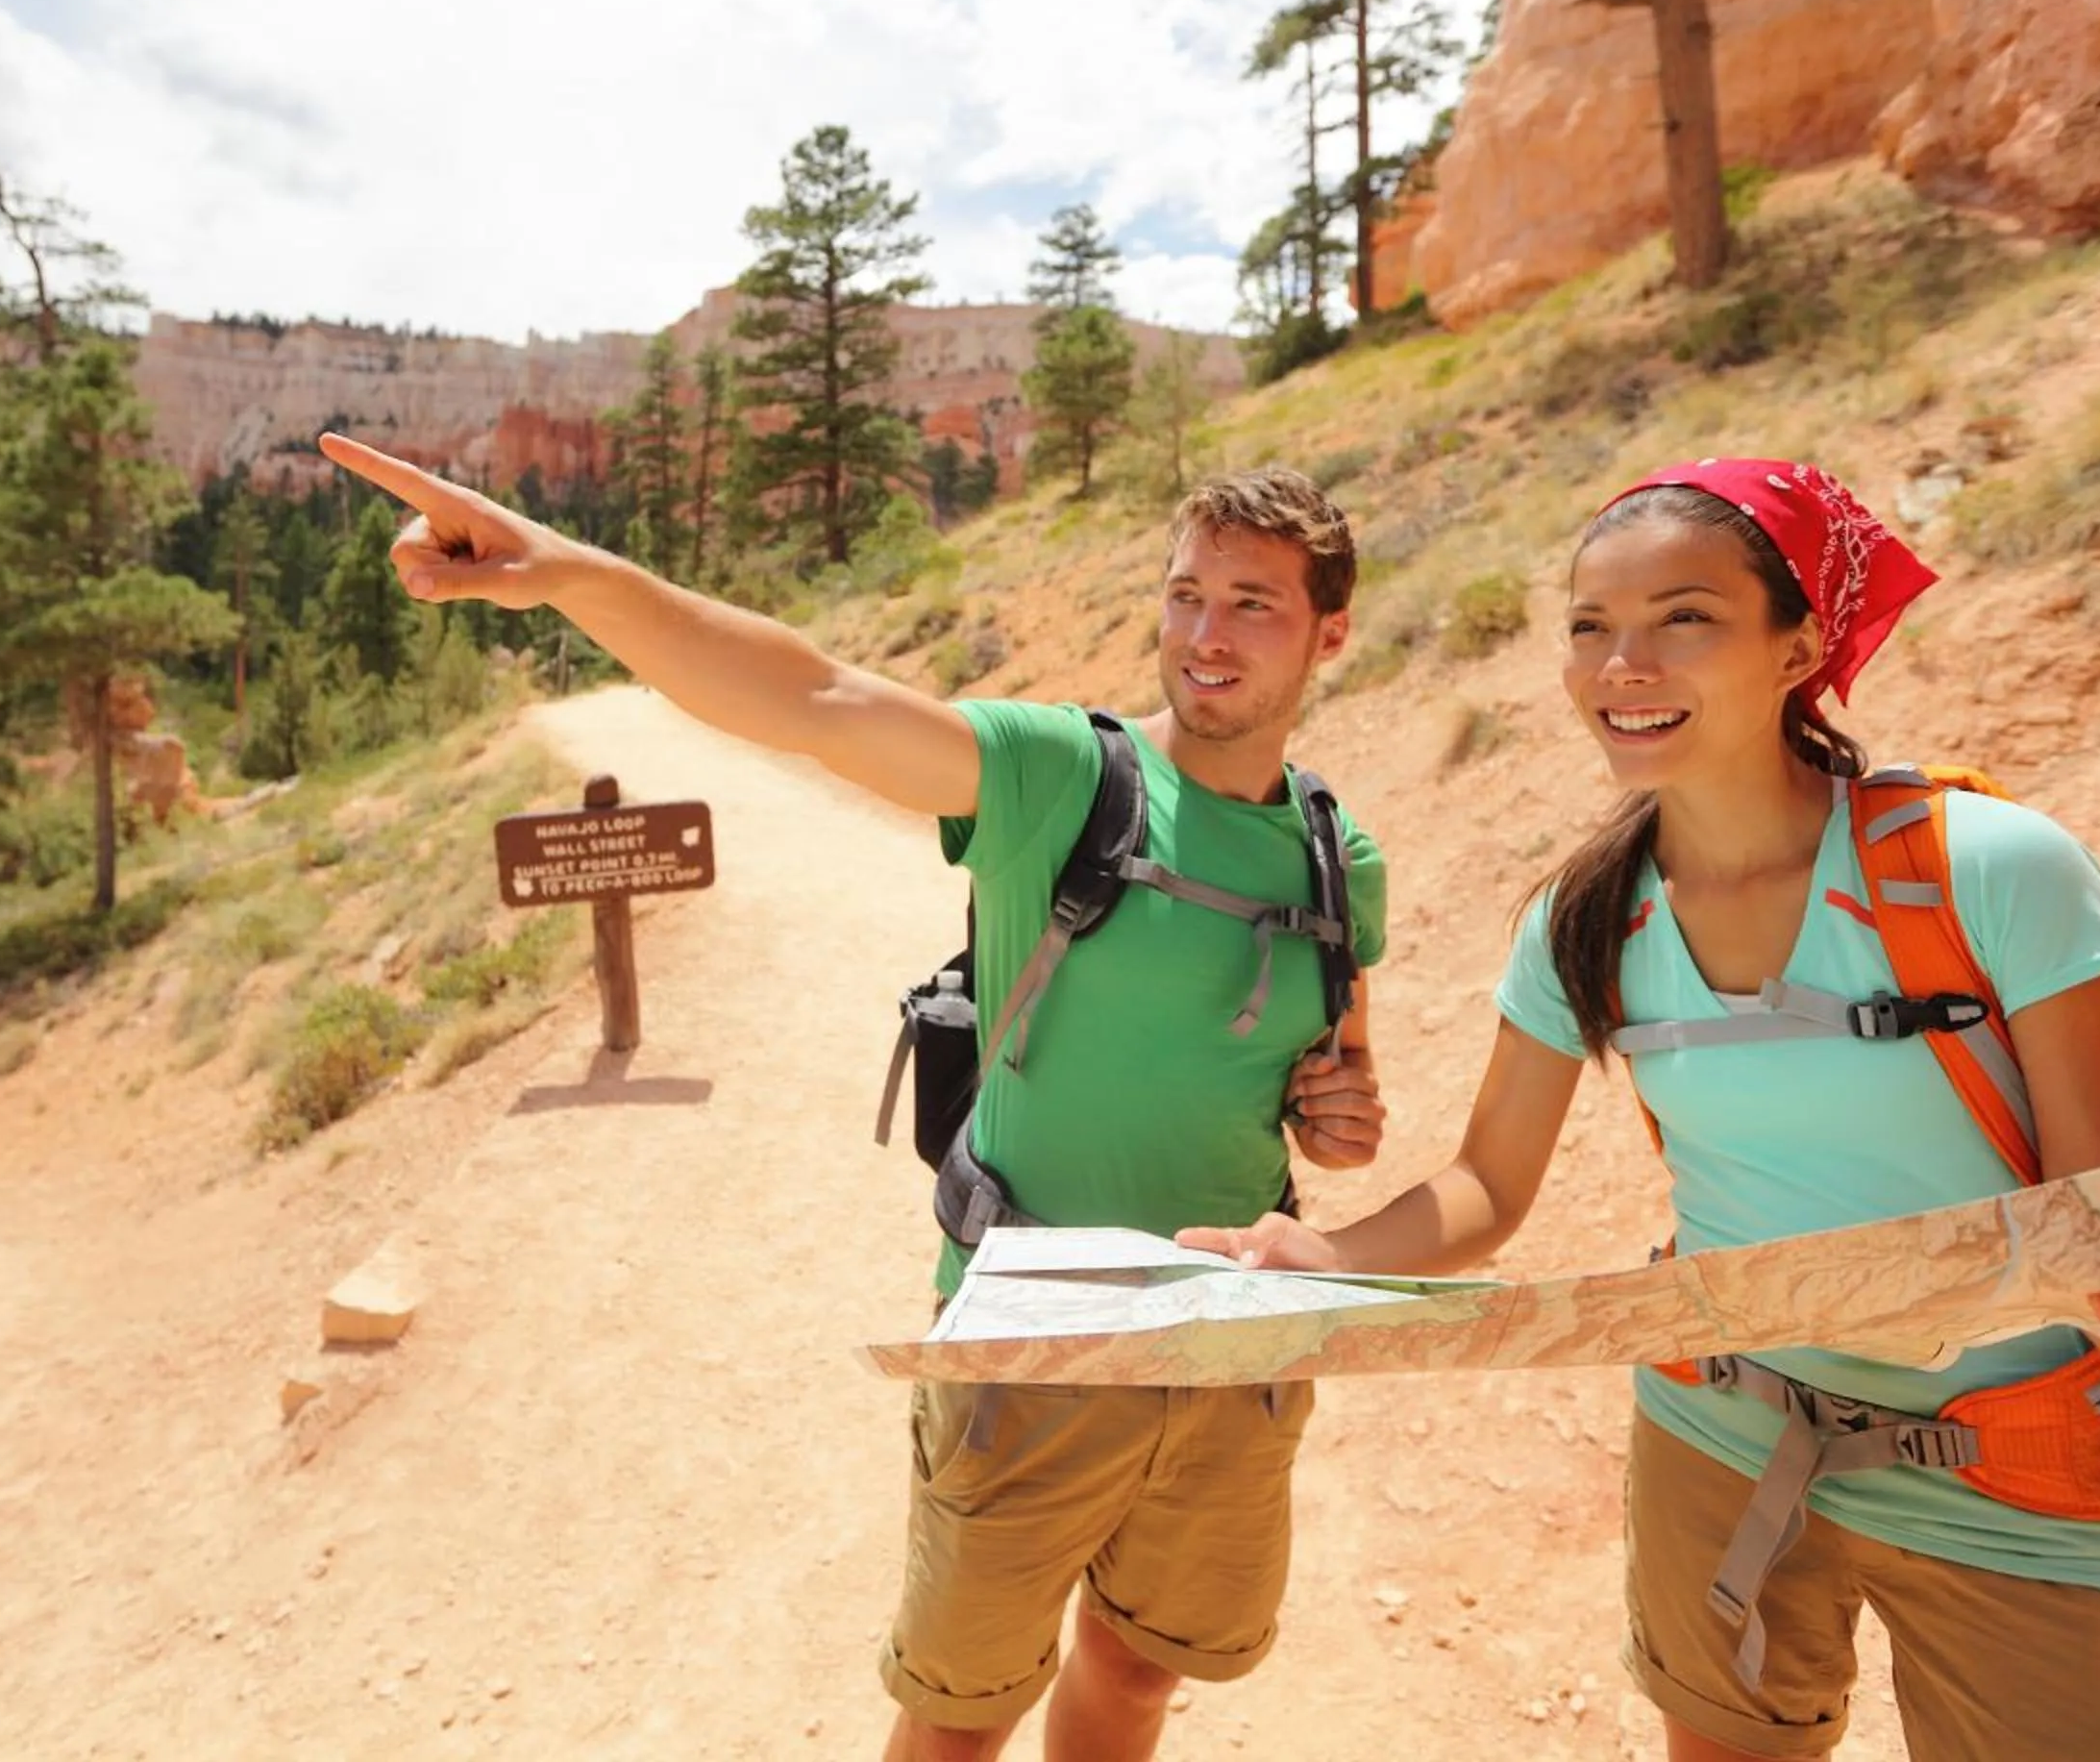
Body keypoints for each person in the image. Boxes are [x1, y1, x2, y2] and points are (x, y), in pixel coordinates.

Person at [1184, 459, 2100, 1762]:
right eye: (1591, 628)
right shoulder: (1581, 922)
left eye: (1685, 618)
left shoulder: (1993, 872)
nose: (1624, 665)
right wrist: (1314, 1259)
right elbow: (1490, 1187)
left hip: (2018, 1473)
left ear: (1802, 646)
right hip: (1715, 1433)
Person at [321, 434, 1395, 1762]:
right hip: (1028, 1340)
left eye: (1252, 604)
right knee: (959, 1715)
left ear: (1329, 635)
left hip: (1232, 1349)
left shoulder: (1338, 855)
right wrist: (572, 575)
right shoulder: (1066, 779)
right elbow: (814, 694)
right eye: (1186, 592)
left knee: (1132, 1674)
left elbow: (1337, 1086)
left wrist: (1339, 1119)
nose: (1205, 633)